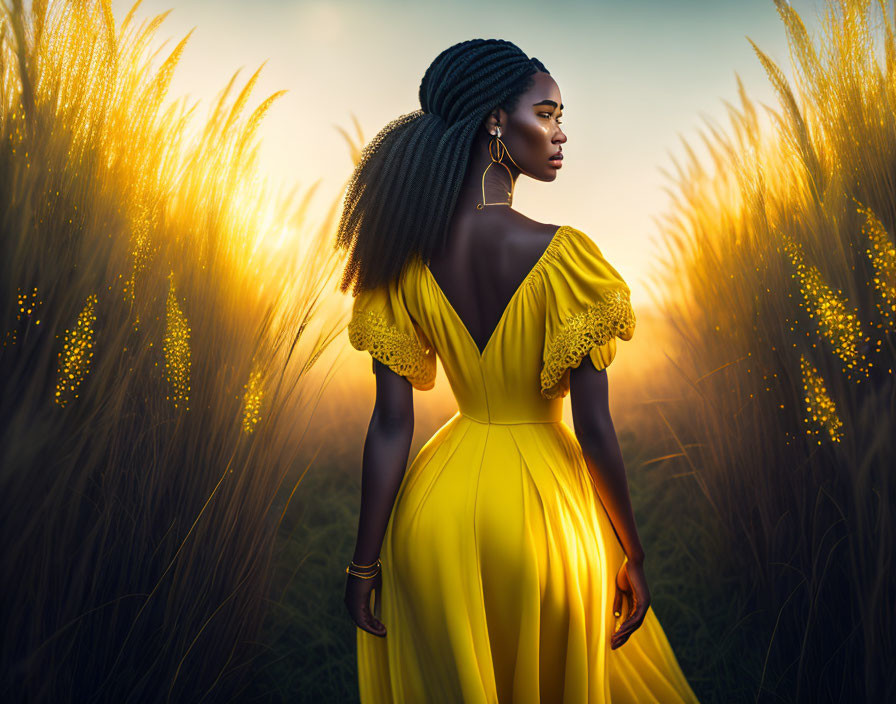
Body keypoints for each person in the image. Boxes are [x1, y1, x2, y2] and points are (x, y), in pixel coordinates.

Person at [335, 38, 700, 704]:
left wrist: (364, 563)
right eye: (548, 113)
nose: (561, 133)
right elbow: (595, 431)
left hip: (434, 517)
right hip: (543, 510)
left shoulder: (402, 263)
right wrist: (633, 553)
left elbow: (390, 428)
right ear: (496, 122)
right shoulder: (567, 260)